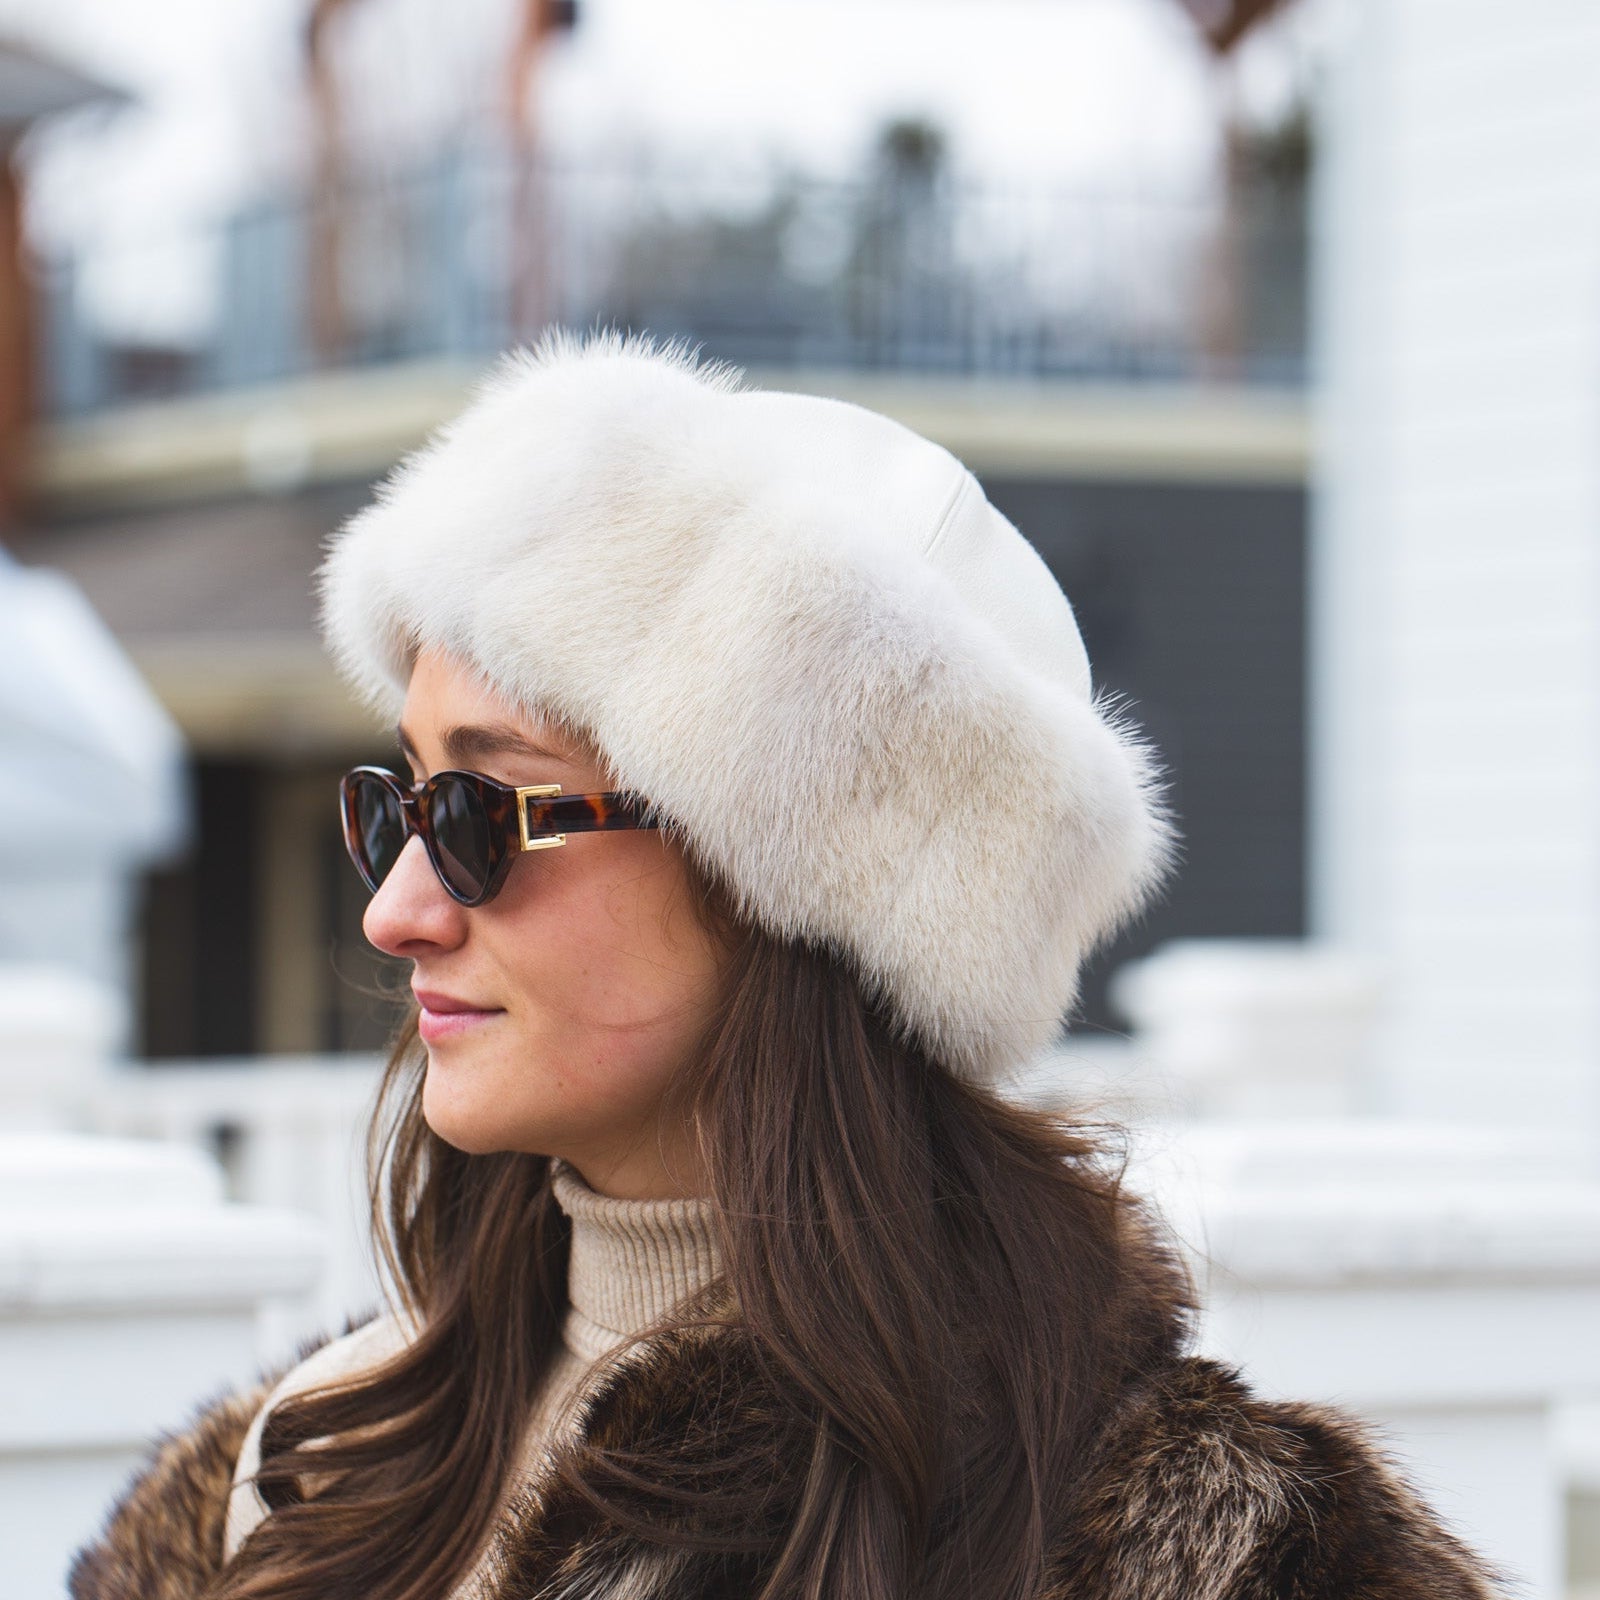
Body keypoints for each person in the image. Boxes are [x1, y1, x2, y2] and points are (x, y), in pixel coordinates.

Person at [71, 332, 1502, 1600]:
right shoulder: (315, 1467)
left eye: (482, 813)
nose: (396, 910)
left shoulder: (1180, 1554)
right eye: (397, 803)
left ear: (793, 890)